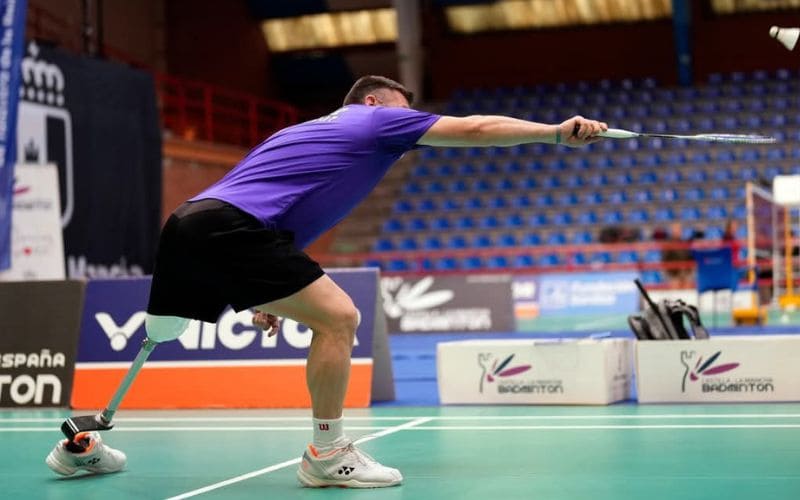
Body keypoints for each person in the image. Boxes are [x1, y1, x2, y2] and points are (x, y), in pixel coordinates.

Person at [47, 75, 607, 487]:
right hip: (232, 229)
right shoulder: (376, 120)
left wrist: (265, 298)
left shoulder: (303, 135)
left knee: (158, 333)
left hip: (192, 223)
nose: (412, 126)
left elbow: (275, 216)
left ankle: (79, 445)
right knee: (341, 318)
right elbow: (478, 128)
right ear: (373, 102)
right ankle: (327, 452)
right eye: (404, 113)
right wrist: (557, 132)